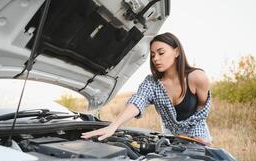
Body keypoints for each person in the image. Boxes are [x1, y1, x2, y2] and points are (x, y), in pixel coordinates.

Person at [82, 32, 212, 144]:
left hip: (198, 133)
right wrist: (113, 126)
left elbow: (201, 110)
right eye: (153, 54)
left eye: (161, 53)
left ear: (177, 52)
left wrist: (198, 136)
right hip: (170, 135)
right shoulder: (152, 83)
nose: (156, 58)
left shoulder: (197, 78)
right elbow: (138, 101)